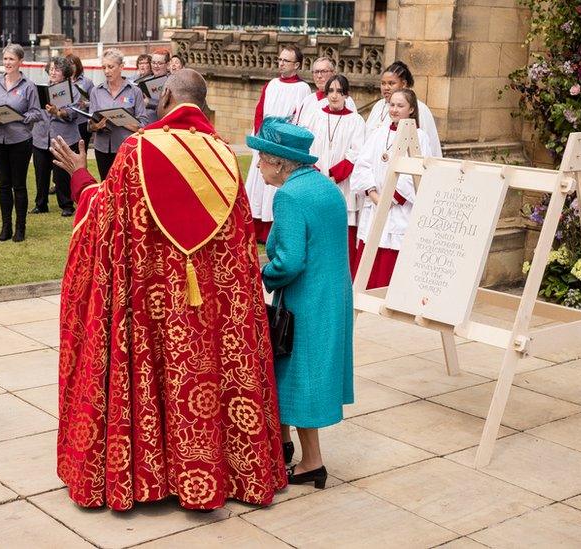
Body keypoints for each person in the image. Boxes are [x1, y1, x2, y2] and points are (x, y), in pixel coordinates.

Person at [50, 68, 287, 511]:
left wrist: (81, 178)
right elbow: (238, 244)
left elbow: (105, 218)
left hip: (149, 303)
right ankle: (227, 469)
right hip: (209, 311)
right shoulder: (225, 156)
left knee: (150, 372)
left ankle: (146, 476)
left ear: (164, 97)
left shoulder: (137, 150)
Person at [250, 117, 353, 488]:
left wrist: (260, 276)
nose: (257, 165)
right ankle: (284, 445)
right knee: (293, 375)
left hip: (305, 300)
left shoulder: (289, 195)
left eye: (260, 158)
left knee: (297, 374)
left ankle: (311, 462)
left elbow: (290, 261)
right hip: (332, 297)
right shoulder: (325, 187)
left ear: (278, 162)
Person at [351, 88, 432, 288]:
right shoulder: (379, 133)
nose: (394, 109)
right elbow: (362, 165)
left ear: (411, 109)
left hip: (398, 210)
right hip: (375, 203)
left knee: (390, 264)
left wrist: (390, 198)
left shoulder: (420, 137)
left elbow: (418, 172)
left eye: (400, 105)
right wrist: (373, 192)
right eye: (392, 105)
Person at [299, 75, 366, 272]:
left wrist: (335, 176)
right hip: (316, 180)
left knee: (341, 231)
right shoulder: (315, 116)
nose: (334, 96)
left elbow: (356, 153)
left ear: (346, 94)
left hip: (342, 185)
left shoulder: (356, 121)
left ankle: (341, 272)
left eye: (339, 91)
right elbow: (306, 147)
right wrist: (317, 174)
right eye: (331, 91)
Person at [244, 46, 311, 243]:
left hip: (283, 147)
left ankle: (272, 229)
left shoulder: (302, 89)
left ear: (297, 65)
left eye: (286, 60)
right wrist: (260, 137)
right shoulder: (271, 84)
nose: (281, 63)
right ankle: (256, 228)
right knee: (259, 184)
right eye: (279, 59)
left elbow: (299, 117)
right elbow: (260, 111)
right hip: (265, 142)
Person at [0, 44, 42, 242]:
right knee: (3, 185)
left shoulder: (29, 86)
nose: (8, 63)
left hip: (20, 140)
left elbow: (36, 113)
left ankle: (20, 228)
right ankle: (5, 227)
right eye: (5, 59)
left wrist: (18, 117)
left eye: (11, 59)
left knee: (18, 185)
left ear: (20, 62)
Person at [88, 48, 147, 180]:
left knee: (126, 187)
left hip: (126, 148)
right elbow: (90, 123)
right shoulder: (96, 91)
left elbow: (143, 124)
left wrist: (120, 119)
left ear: (121, 67)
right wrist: (95, 126)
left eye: (110, 67)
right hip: (102, 148)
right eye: (104, 67)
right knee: (106, 186)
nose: (107, 71)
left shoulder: (134, 91)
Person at [30, 56, 78, 217]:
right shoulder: (41, 89)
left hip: (63, 137)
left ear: (64, 73)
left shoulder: (73, 89)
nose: (53, 72)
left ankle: (66, 205)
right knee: (41, 172)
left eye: (56, 69)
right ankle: (41, 204)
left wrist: (58, 112)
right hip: (41, 135)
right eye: (51, 69)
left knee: (62, 173)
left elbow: (73, 112)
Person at [365, 61, 442, 157]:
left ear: (404, 84)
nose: (386, 87)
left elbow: (429, 145)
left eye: (391, 83)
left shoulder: (421, 108)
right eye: (383, 83)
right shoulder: (378, 106)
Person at [292, 56, 357, 123]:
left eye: (324, 71)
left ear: (333, 73)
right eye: (316, 72)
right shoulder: (307, 101)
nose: (319, 76)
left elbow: (352, 125)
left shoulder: (345, 100)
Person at [68, 54, 94, 145]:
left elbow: (95, 102)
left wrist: (86, 104)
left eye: (72, 64)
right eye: (68, 64)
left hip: (81, 121)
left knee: (82, 150)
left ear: (77, 65)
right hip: (66, 121)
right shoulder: (62, 81)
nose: (70, 67)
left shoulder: (87, 82)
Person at [142, 48, 171, 125]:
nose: (155, 66)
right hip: (144, 125)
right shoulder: (144, 81)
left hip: (164, 126)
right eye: (153, 62)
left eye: (159, 63)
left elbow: (172, 107)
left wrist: (150, 103)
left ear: (167, 65)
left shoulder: (173, 82)